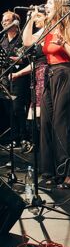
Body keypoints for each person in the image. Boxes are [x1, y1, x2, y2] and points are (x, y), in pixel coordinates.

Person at [22, 0, 70, 188]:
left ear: (60, 6)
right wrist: (30, 19)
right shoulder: (47, 28)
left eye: (50, 3)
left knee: (61, 124)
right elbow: (27, 42)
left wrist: (64, 44)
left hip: (65, 73)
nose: (46, 6)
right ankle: (50, 171)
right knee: (46, 124)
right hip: (50, 74)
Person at [11, 12, 47, 153]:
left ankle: (44, 147)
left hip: (45, 77)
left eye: (39, 16)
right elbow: (27, 42)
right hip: (36, 78)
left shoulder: (48, 32)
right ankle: (38, 146)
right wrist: (30, 19)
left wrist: (19, 73)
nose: (36, 20)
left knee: (42, 116)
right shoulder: (39, 33)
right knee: (35, 118)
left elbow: (40, 62)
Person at [0, 10, 30, 151]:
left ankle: (24, 138)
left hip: (19, 77)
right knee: (9, 110)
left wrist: (17, 60)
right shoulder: (2, 40)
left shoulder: (22, 38)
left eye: (7, 20)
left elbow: (28, 59)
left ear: (15, 23)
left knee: (18, 108)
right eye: (3, 21)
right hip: (5, 78)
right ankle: (14, 139)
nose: (3, 23)